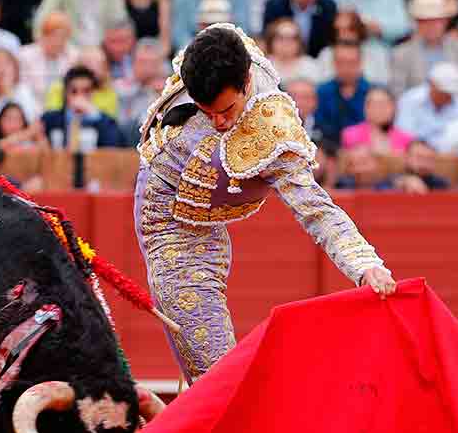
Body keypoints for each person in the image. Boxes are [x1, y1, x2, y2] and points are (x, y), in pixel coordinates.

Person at [134, 23, 395, 383]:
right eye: (206, 111)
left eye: (226, 109)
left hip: (204, 218)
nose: (219, 122)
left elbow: (316, 208)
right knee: (216, 373)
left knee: (213, 376)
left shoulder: (273, 129)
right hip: (167, 221)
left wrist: (365, 265)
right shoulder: (222, 47)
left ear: (246, 82)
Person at [390, 0, 458, 97]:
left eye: (435, 20)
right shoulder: (401, 54)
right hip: (416, 110)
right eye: (424, 21)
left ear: (445, 21)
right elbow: (397, 92)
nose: (430, 26)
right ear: (416, 23)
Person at [42, 65, 126, 152]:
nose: (80, 96)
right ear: (66, 93)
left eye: (86, 91)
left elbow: (116, 147)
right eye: (74, 91)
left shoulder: (105, 121)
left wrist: (96, 117)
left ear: (93, 93)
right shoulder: (50, 119)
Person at [262, 0, 336, 58]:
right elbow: (268, 38)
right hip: (280, 58)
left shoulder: (328, 7)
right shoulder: (275, 4)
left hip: (316, 60)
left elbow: (328, 42)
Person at [395, 61, 458, 146]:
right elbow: (403, 133)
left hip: (451, 152)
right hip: (415, 150)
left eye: (450, 93)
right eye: (444, 92)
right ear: (432, 84)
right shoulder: (410, 100)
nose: (448, 96)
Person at [315, 42, 371, 148]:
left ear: (360, 63)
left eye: (351, 63)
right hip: (329, 151)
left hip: (365, 151)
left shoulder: (372, 93)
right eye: (341, 63)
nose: (346, 68)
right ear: (334, 63)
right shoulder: (321, 92)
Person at [17, 12, 79, 105]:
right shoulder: (25, 55)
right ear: (44, 35)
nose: (58, 41)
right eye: (54, 36)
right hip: (34, 106)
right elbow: (23, 91)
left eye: (62, 37)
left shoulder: (74, 56)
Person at [316, 9, 392, 85]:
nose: (342, 34)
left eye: (349, 29)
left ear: (359, 29)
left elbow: (383, 82)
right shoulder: (326, 54)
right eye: (338, 29)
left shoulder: (377, 54)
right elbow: (321, 82)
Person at [342, 85, 413, 155]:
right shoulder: (350, 135)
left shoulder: (406, 140)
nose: (378, 109)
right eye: (373, 104)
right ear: (365, 108)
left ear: (394, 107)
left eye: (383, 104)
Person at [375, 139, 452, 191]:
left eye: (429, 159)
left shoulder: (441, 184)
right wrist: (403, 182)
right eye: (419, 158)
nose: (424, 163)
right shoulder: (391, 180)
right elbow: (379, 188)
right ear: (407, 158)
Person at [263, 18, 322, 83]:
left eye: (292, 38)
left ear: (299, 42)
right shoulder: (262, 66)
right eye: (281, 37)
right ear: (271, 41)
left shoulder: (310, 65)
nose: (286, 42)